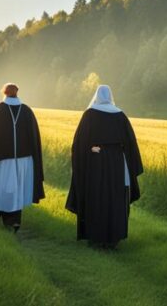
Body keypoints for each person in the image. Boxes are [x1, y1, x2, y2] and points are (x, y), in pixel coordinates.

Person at [65, 84, 143, 248]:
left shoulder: (89, 115)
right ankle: (113, 238)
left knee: (97, 197)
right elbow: (130, 143)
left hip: (96, 163)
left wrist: (89, 149)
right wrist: (131, 165)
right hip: (117, 164)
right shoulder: (120, 115)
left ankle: (96, 237)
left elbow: (78, 143)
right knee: (115, 198)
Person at [0, 83, 45, 233]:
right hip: (24, 160)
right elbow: (34, 137)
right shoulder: (27, 111)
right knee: (17, 189)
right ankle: (14, 220)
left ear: (4, 93)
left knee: (5, 190)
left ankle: (9, 219)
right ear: (17, 93)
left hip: (2, 160)